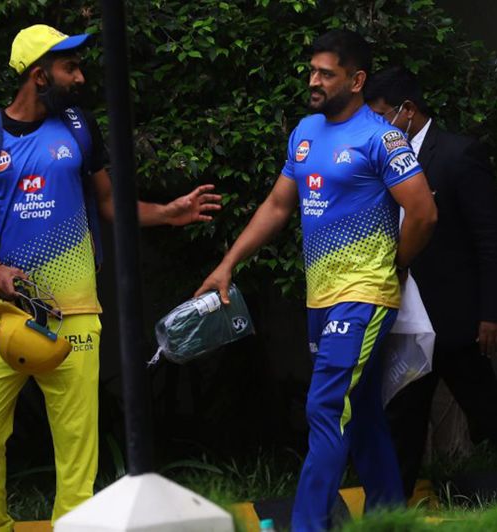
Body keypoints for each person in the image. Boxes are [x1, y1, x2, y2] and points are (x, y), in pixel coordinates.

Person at [0, 24, 222, 532]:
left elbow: (108, 201)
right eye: (69, 67)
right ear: (39, 75)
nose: (79, 76)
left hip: (75, 313)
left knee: (77, 448)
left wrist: (168, 211)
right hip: (5, 314)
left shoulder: (79, 127)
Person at [195, 30, 437, 531]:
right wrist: (227, 263)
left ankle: (307, 525)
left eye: (326, 73)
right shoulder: (305, 131)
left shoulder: (381, 137)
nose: (314, 81)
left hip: (364, 295)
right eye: (312, 71)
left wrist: (395, 265)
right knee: (363, 410)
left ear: (357, 79)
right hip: (321, 297)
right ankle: (390, 520)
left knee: (326, 406)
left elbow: (423, 212)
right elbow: (278, 205)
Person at [364, 65, 497, 500]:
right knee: (403, 417)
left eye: (380, 115)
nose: (375, 128)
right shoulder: (383, 163)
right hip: (407, 315)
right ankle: (385, 513)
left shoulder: (458, 155)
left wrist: (493, 312)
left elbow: (491, 239)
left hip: (454, 317)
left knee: (490, 410)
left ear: (407, 111)